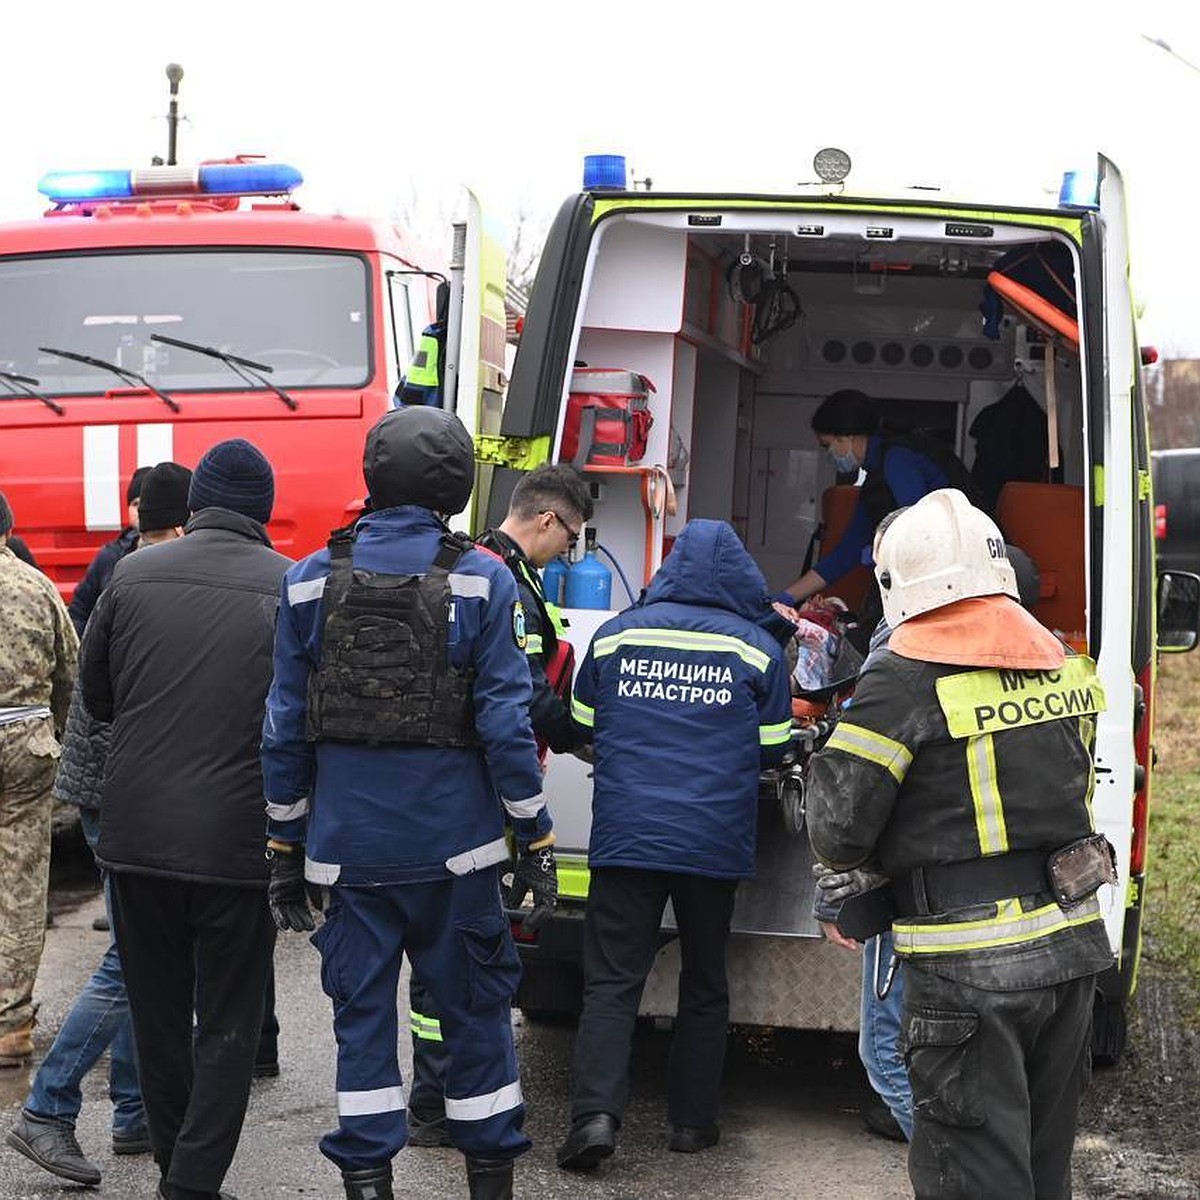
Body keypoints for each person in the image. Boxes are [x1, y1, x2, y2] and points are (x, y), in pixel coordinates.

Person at [261, 405, 551, 1200]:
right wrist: (535, 833)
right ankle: (488, 1180)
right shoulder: (482, 579)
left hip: (347, 852)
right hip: (457, 854)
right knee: (477, 1022)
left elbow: (285, 727)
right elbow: (504, 718)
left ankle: (367, 1182)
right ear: (457, 486)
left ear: (371, 474)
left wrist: (284, 845)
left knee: (361, 1027)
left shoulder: (307, 580)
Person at [806, 488, 1115, 1199]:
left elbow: (839, 832)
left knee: (971, 1179)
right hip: (1069, 955)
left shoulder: (902, 677)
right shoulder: (1060, 663)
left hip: (967, 973)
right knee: (1040, 1174)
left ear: (897, 583)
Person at [80, 440, 289, 1200]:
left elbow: (96, 697)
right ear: (263, 511)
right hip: (239, 844)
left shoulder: (129, 574)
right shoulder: (288, 586)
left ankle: (180, 1172)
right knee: (229, 1025)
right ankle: (191, 1185)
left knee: (158, 1017)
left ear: (196, 503)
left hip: (135, 840)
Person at [557, 518, 793, 1172]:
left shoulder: (616, 634)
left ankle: (595, 1117)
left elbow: (582, 727)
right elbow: (775, 748)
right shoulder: (756, 649)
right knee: (705, 980)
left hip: (628, 836)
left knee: (610, 983)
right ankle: (692, 1123)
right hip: (712, 841)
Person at [5, 461, 192, 1186]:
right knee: (133, 957)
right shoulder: (150, 584)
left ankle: (134, 1109)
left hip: (106, 791)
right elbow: (87, 685)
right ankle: (48, 1108)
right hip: (125, 795)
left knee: (145, 950)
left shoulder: (116, 574)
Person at [405, 463, 595, 1148]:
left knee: (457, 950)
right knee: (457, 949)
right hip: (477, 792)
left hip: (455, 786)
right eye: (569, 536)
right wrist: (586, 737)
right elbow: (522, 700)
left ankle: (445, 1096)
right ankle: (436, 1103)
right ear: (546, 519)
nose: (568, 549)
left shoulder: (486, 564)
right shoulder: (502, 580)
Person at [778, 391, 978, 632]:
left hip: (954, 580)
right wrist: (785, 598)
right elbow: (844, 555)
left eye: (827, 445)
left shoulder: (898, 461)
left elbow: (918, 533)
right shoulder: (876, 479)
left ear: (846, 437)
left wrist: (879, 551)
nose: (829, 454)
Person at [0, 489, 78, 1069]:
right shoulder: (35, 585)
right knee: (21, 884)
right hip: (27, 744)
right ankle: (10, 1025)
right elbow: (71, 676)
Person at [68, 465, 152, 636]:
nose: (140, 510)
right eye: (135, 503)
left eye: (146, 503)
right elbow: (80, 610)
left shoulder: (179, 551)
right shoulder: (109, 556)